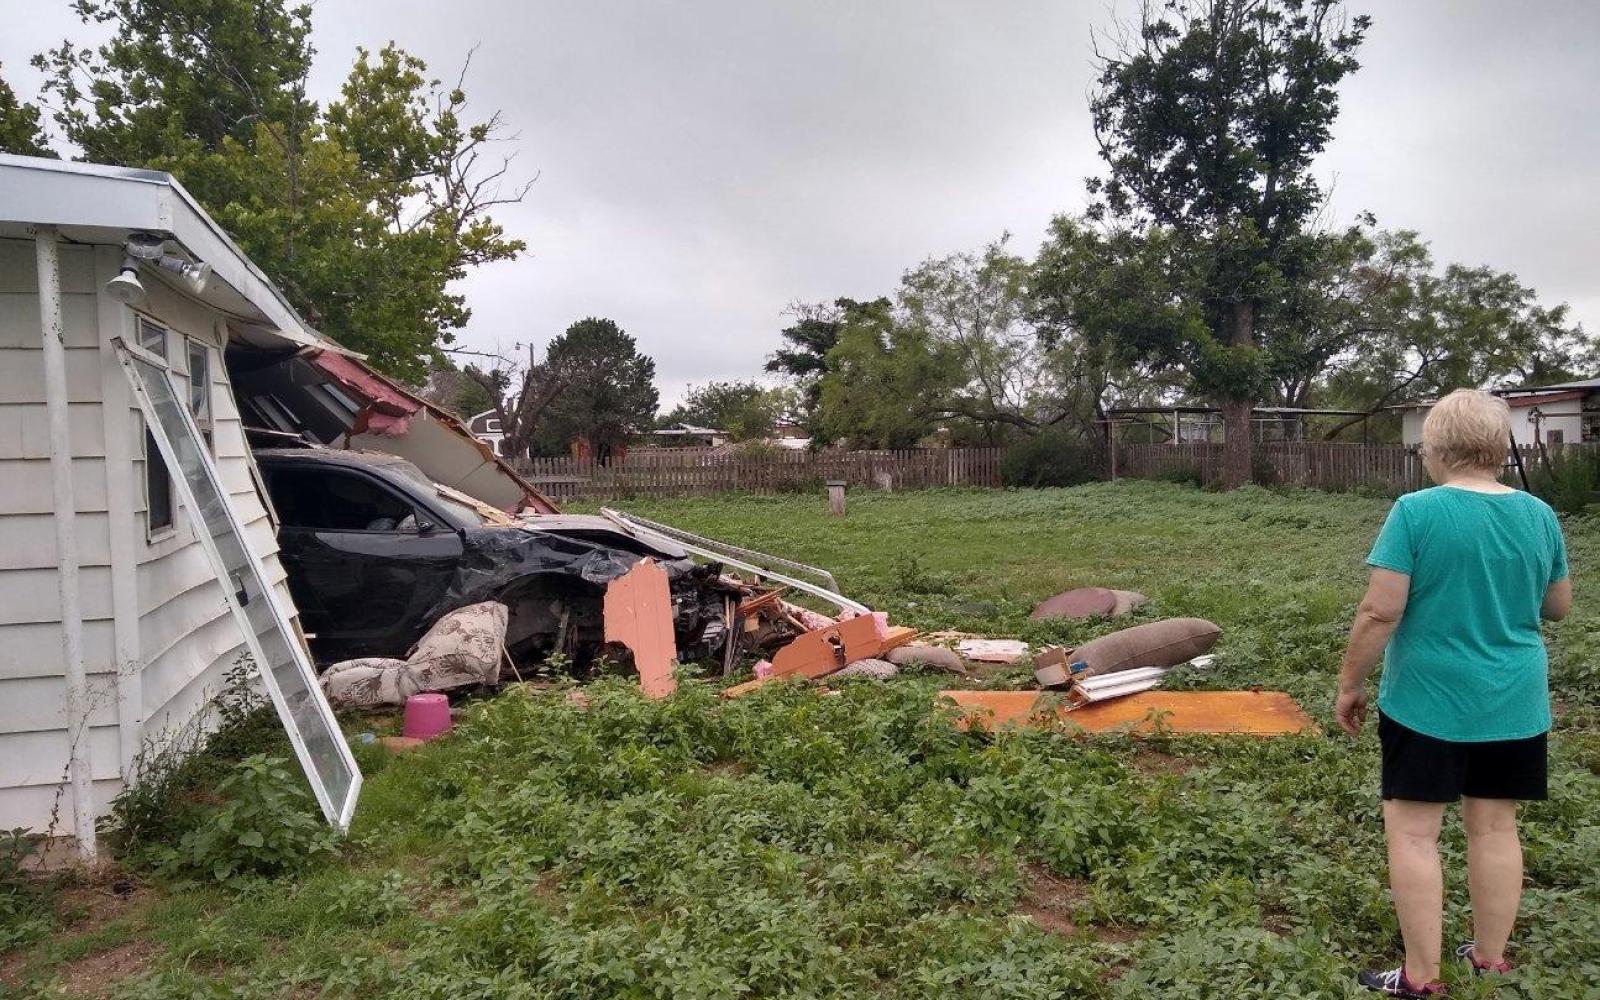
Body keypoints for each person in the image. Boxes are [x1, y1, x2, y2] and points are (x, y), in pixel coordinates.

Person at [1335, 389, 1570, 998]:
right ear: (1499, 448)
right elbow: (1558, 607)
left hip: (1426, 704)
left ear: (1434, 449)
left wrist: (1350, 683)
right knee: (1494, 829)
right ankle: (1489, 959)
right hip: (1514, 702)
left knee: (1415, 835)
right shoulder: (1539, 515)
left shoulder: (1415, 511)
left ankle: (1421, 977)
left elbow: (1379, 611)